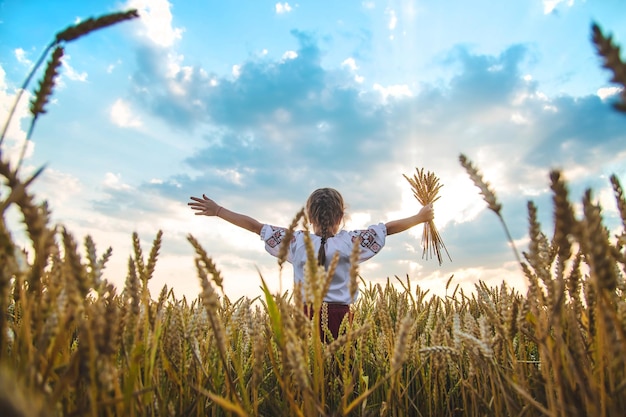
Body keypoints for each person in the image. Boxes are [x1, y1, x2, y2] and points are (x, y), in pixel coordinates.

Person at [188, 188, 434, 340]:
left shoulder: (296, 242)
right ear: (341, 216)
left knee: (307, 377)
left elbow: (255, 226)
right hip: (342, 317)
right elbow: (388, 229)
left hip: (304, 316)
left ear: (308, 217)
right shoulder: (351, 242)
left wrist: (219, 210)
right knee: (340, 375)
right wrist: (419, 217)